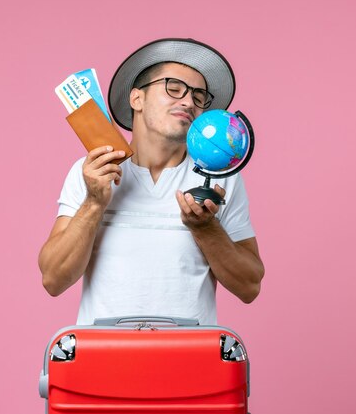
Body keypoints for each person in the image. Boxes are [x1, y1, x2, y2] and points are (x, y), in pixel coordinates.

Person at [39, 38, 264, 325]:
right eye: (173, 88)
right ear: (137, 99)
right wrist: (94, 203)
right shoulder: (92, 172)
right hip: (104, 361)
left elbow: (249, 286)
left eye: (198, 96)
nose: (187, 101)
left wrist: (206, 229)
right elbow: (53, 279)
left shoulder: (222, 180)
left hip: (190, 361)